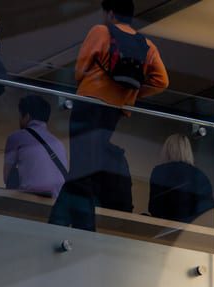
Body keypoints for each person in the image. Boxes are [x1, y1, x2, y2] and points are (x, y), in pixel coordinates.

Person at [50, 0, 168, 231]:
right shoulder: (146, 45)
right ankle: (57, 223)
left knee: (82, 170)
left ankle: (79, 228)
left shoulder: (101, 31)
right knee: (84, 169)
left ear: (110, 13)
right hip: (113, 113)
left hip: (88, 104)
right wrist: (132, 94)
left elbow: (80, 70)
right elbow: (162, 81)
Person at [3, 95, 68, 197]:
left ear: (27, 116)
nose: (19, 119)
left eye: (20, 116)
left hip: (30, 197)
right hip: (57, 199)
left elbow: (7, 177)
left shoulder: (16, 137)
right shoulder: (59, 143)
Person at [148, 133, 214, 222]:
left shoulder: (159, 172)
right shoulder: (199, 176)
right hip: (189, 231)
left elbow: (154, 208)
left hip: (163, 228)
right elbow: (207, 212)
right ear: (188, 151)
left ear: (167, 150)